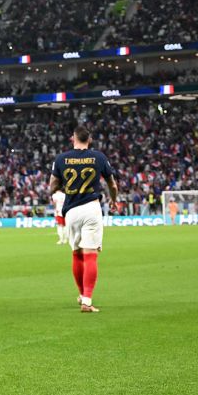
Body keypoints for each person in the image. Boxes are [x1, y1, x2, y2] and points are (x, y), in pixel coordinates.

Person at [48, 125, 119, 313]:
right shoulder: (99, 157)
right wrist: (113, 199)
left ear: (73, 138)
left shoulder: (61, 159)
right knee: (91, 254)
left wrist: (56, 190)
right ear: (90, 139)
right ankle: (87, 300)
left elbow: (52, 184)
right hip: (91, 208)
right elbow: (112, 184)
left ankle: (81, 295)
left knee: (76, 253)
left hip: (71, 211)